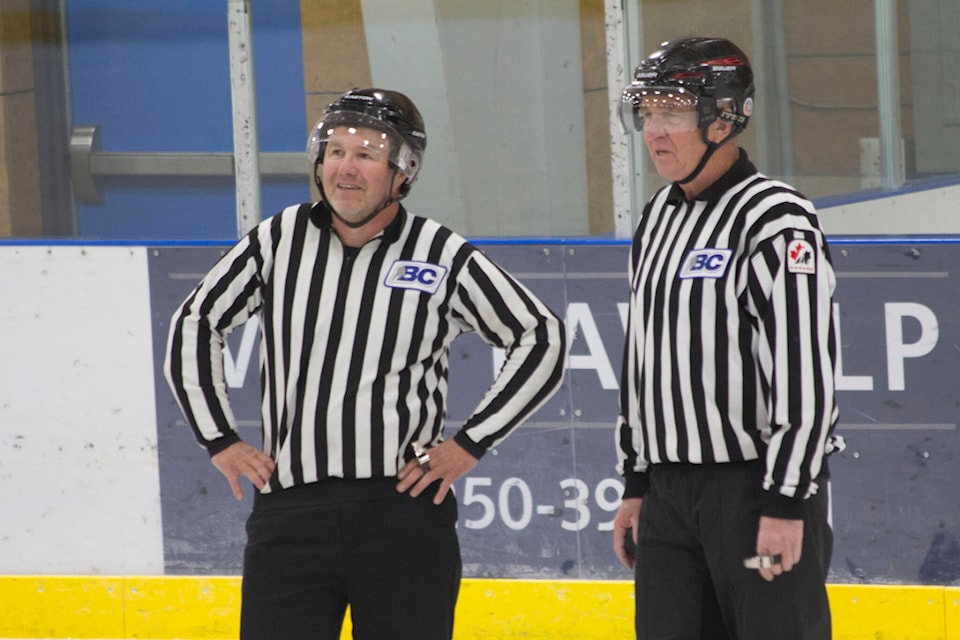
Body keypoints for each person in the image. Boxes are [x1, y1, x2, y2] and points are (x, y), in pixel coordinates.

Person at [164, 87, 566, 640]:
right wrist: (220, 439)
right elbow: (196, 322)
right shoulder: (278, 240)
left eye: (366, 154)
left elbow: (539, 335)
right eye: (335, 151)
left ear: (404, 172)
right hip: (290, 516)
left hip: (401, 515)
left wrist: (468, 444)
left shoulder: (439, 253)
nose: (345, 168)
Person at [611, 37, 843, 639]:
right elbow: (643, 359)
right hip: (667, 499)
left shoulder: (776, 217)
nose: (654, 132)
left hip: (755, 496)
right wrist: (637, 482)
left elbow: (805, 375)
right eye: (647, 113)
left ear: (724, 116)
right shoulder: (658, 215)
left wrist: (787, 503)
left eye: (673, 113)